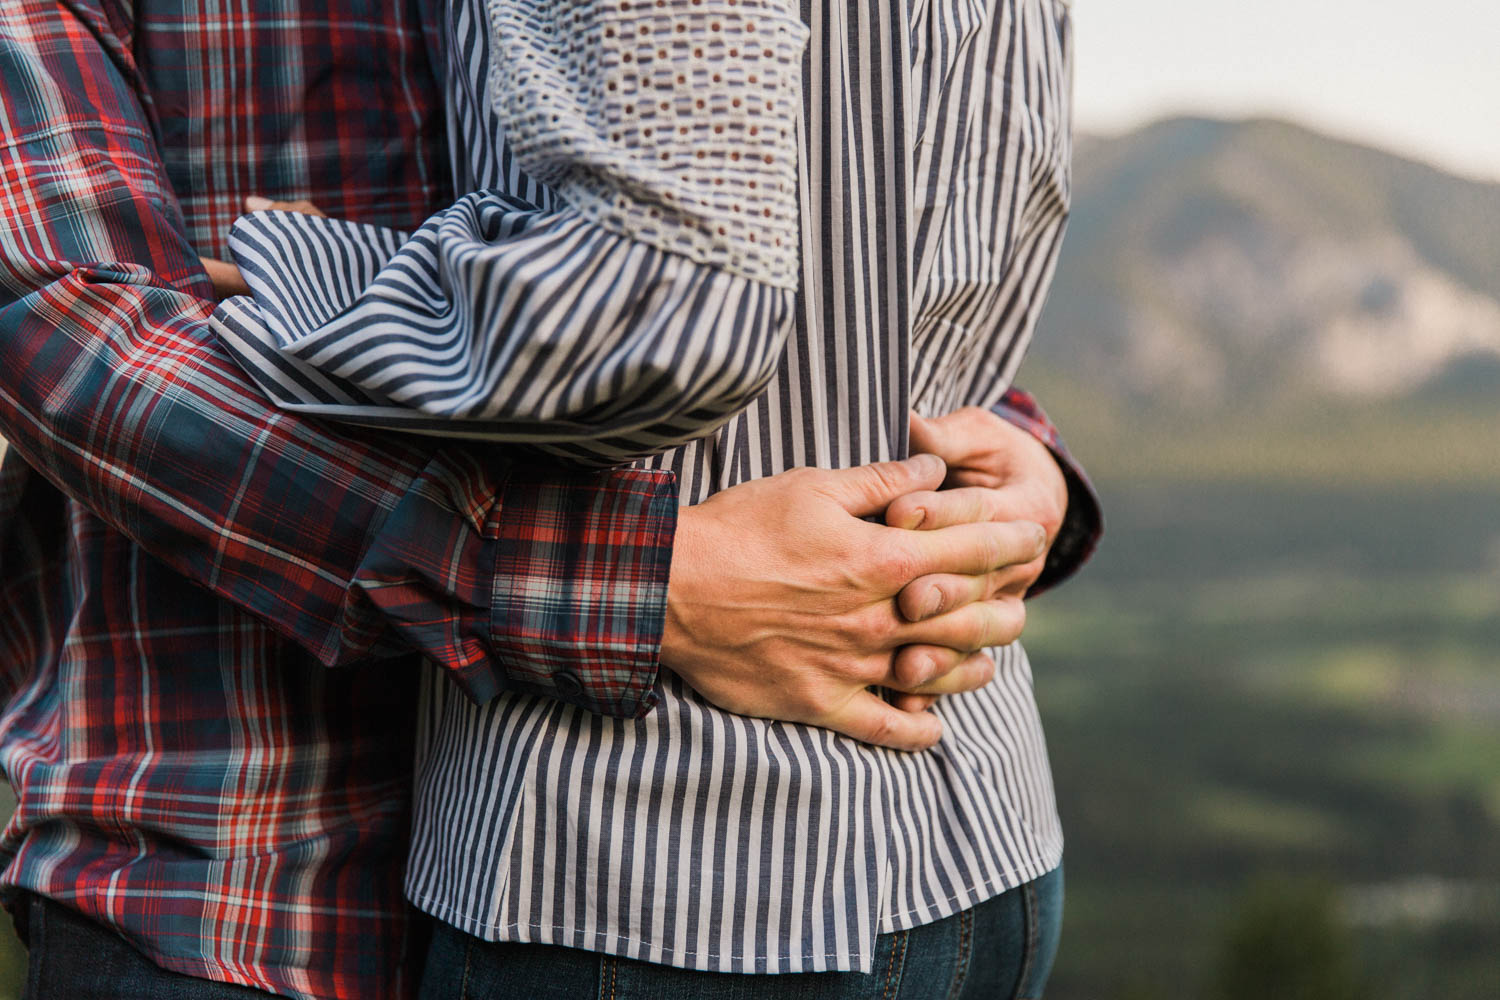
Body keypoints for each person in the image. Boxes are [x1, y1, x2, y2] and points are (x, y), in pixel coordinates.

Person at [0, 2, 1097, 999]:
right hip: (247, 875)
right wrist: (643, 585)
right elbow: (62, 330)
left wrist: (1004, 458)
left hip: (686, 838)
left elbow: (834, 222)